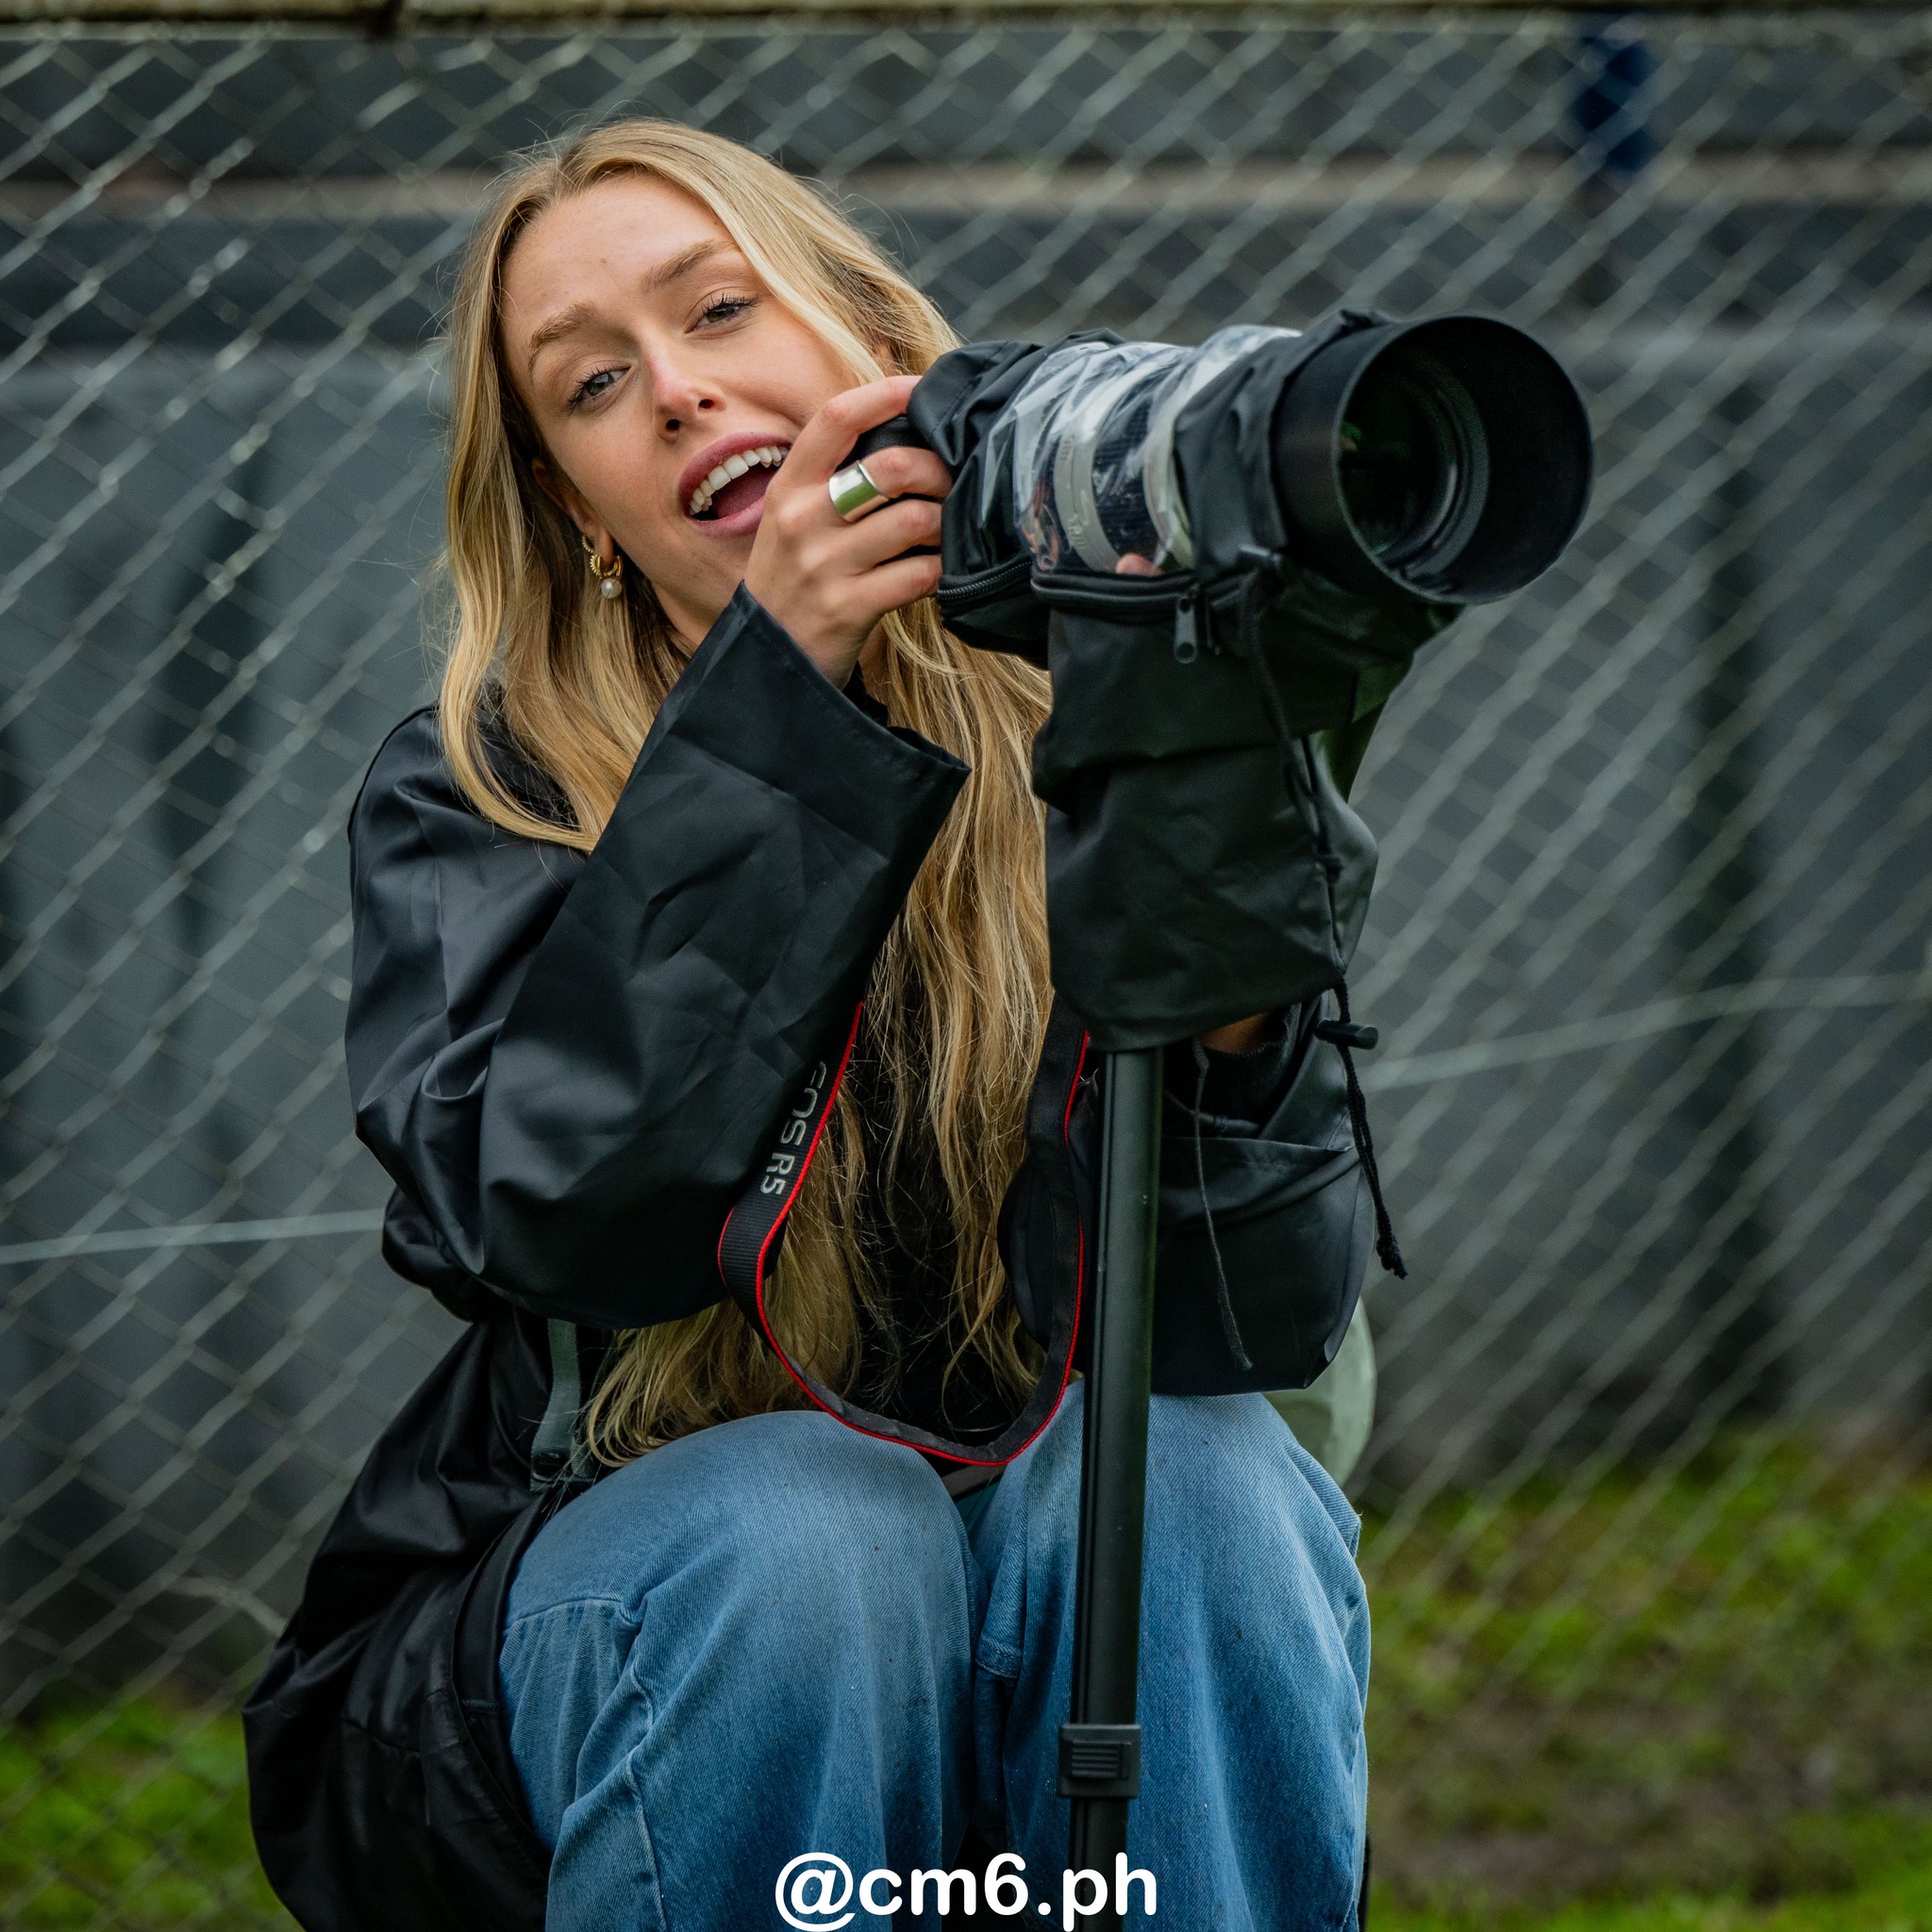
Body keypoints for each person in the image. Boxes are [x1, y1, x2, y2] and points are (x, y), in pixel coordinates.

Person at [243, 119, 1373, 1932]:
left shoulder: (1085, 704)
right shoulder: (479, 796)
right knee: (809, 1529)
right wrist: (770, 705)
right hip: (636, 1592)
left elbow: (1253, 1320)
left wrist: (1233, 858)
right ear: (567, 505)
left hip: (1026, 1534)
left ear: (864, 343)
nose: (678, 393)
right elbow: (553, 1216)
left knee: (1205, 1488)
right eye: (595, 382)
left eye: (717, 312)